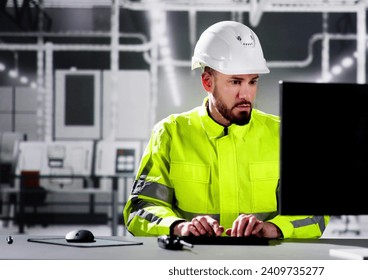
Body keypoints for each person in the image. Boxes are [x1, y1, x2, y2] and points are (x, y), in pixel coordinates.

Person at [123, 20, 328, 239]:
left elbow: (316, 213)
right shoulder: (171, 134)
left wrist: (274, 228)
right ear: (207, 82)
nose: (246, 95)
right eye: (235, 82)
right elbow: (139, 209)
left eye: (252, 82)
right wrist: (179, 227)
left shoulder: (283, 134)